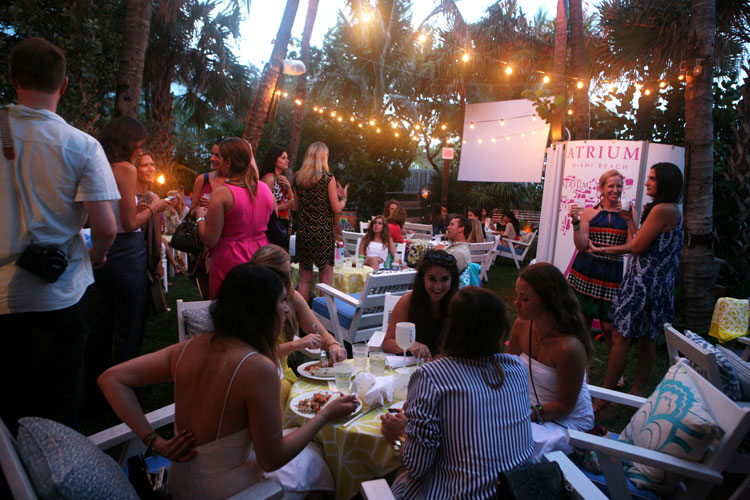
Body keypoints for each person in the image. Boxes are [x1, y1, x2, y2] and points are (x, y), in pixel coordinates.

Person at [98, 262, 358, 500]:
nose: (287, 308)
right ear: (261, 309)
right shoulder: (258, 368)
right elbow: (272, 459)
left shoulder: (189, 347)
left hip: (179, 484)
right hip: (229, 491)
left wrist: (153, 441)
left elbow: (112, 378)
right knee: (319, 462)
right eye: (282, 301)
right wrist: (324, 415)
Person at [0, 38, 118, 433]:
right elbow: (106, 227)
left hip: (2, 296)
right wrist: (97, 256)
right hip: (60, 291)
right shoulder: (81, 145)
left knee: (7, 404)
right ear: (63, 84)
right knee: (56, 405)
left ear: (13, 78)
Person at [381, 287, 533, 499]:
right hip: (517, 490)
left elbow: (416, 466)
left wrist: (401, 434)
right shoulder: (516, 368)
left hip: (460, 493)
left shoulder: (432, 376)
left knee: (394, 479)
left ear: (452, 327)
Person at [85, 117, 170, 411]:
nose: (139, 150)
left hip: (101, 250)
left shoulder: (96, 164)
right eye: (138, 145)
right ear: (127, 143)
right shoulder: (125, 169)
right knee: (129, 328)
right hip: (127, 253)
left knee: (100, 326)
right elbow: (131, 222)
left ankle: (95, 395)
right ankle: (127, 398)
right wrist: (155, 208)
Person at [592, 163, 684, 401]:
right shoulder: (671, 208)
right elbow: (642, 241)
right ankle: (637, 389)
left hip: (644, 285)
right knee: (647, 339)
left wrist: (602, 248)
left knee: (621, 336)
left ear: (664, 182)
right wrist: (629, 220)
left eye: (652, 178)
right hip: (658, 286)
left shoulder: (661, 209)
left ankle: (604, 397)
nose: (647, 182)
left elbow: (636, 246)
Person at [506, 263, 594, 460]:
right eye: (518, 295)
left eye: (524, 298)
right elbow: (507, 369)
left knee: (507, 441)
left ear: (548, 301)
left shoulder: (568, 347)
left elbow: (564, 405)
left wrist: (524, 414)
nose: (516, 302)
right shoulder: (522, 325)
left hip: (564, 421)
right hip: (527, 407)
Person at [251, 245, 347, 405]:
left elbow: (321, 332)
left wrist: (333, 345)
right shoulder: (251, 304)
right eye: (279, 276)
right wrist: (297, 344)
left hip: (283, 376)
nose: (286, 281)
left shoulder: (292, 298)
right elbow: (257, 355)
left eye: (288, 274)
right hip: (258, 380)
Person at [195, 137, 274, 299]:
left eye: (220, 157)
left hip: (230, 260)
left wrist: (200, 218)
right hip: (260, 256)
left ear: (228, 162)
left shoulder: (223, 194)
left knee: (229, 308)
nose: (217, 161)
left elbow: (210, 240)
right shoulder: (265, 189)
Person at [568, 170, 636, 353]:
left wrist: (602, 249)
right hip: (587, 270)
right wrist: (575, 221)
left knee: (609, 326)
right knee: (584, 321)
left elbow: (632, 246)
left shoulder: (629, 214)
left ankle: (614, 366)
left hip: (612, 273)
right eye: (611, 186)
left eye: (619, 186)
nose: (615, 190)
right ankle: (583, 364)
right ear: (602, 188)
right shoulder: (590, 212)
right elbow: (582, 246)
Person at [294, 142, 349, 302]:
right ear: (323, 157)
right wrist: (344, 198)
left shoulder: (298, 178)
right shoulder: (327, 179)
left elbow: (296, 207)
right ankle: (323, 314)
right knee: (325, 281)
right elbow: (336, 208)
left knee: (304, 279)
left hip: (304, 232)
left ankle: (302, 314)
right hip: (322, 233)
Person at [382, 250, 459, 360]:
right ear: (423, 279)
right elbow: (387, 343)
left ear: (452, 280)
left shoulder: (457, 304)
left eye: (444, 279)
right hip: (412, 364)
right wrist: (410, 345)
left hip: (445, 366)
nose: (438, 286)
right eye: (432, 279)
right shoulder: (408, 302)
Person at [189, 139, 227, 298]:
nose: (212, 158)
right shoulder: (202, 179)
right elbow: (191, 213)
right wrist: (200, 209)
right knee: (208, 295)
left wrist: (215, 206)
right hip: (204, 247)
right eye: (212, 154)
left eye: (217, 155)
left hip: (227, 244)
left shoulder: (236, 183)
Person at [260, 146, 295, 247]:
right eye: (283, 158)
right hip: (273, 226)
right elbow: (263, 207)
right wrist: (284, 206)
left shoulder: (282, 179)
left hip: (283, 225)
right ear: (274, 160)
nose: (287, 160)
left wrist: (289, 188)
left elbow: (293, 204)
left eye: (287, 158)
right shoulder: (269, 179)